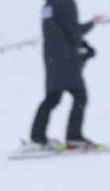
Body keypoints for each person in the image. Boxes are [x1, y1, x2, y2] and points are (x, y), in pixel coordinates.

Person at [29, 0, 102, 149]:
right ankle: (74, 137)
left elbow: (59, 29)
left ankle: (37, 137)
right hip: (66, 58)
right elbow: (73, 30)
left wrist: (83, 45)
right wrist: (92, 23)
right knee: (80, 96)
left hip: (51, 58)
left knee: (52, 98)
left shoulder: (48, 5)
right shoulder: (66, 3)